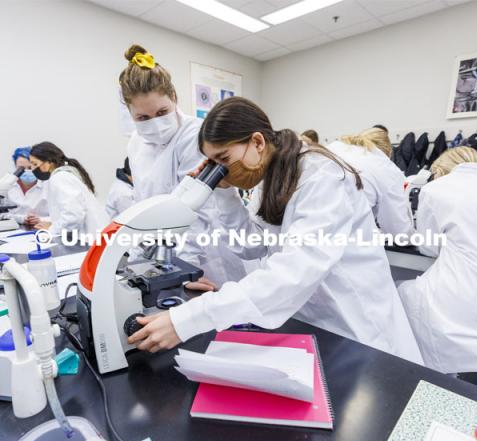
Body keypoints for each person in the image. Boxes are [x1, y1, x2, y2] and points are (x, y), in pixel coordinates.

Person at [127, 97, 423, 365]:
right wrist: (221, 190)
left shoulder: (324, 177)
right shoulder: (271, 175)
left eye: (224, 160)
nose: (222, 169)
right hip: (310, 318)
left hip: (356, 324)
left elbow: (293, 271)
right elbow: (252, 245)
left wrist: (188, 319)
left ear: (257, 142)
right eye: (214, 163)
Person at [119, 43, 246, 290]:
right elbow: (142, 202)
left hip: (205, 254)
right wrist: (136, 259)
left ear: (174, 97)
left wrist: (183, 269)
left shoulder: (195, 133)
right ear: (130, 113)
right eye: (143, 118)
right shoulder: (135, 143)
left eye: (162, 111)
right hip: (162, 253)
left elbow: (200, 209)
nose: (154, 123)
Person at [398, 146, 477, 374]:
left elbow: (428, 246)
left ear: (439, 170)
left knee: (402, 295)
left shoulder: (437, 189)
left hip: (457, 299)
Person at [328, 127, 414, 237]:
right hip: (343, 241)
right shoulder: (385, 168)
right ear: (388, 152)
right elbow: (399, 232)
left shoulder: (334, 148)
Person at [29, 142, 108, 236]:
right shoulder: (65, 175)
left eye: (35, 164)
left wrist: (51, 229)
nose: (32, 169)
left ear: (49, 162)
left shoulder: (60, 178)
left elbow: (73, 216)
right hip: (93, 236)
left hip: (88, 239)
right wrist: (53, 224)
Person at [5, 147, 49, 226]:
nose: (27, 171)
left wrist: (40, 219)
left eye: (30, 167)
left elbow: (61, 215)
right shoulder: (7, 187)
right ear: (15, 167)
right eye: (21, 168)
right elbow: (2, 215)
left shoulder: (48, 186)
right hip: (14, 230)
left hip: (43, 229)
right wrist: (22, 219)